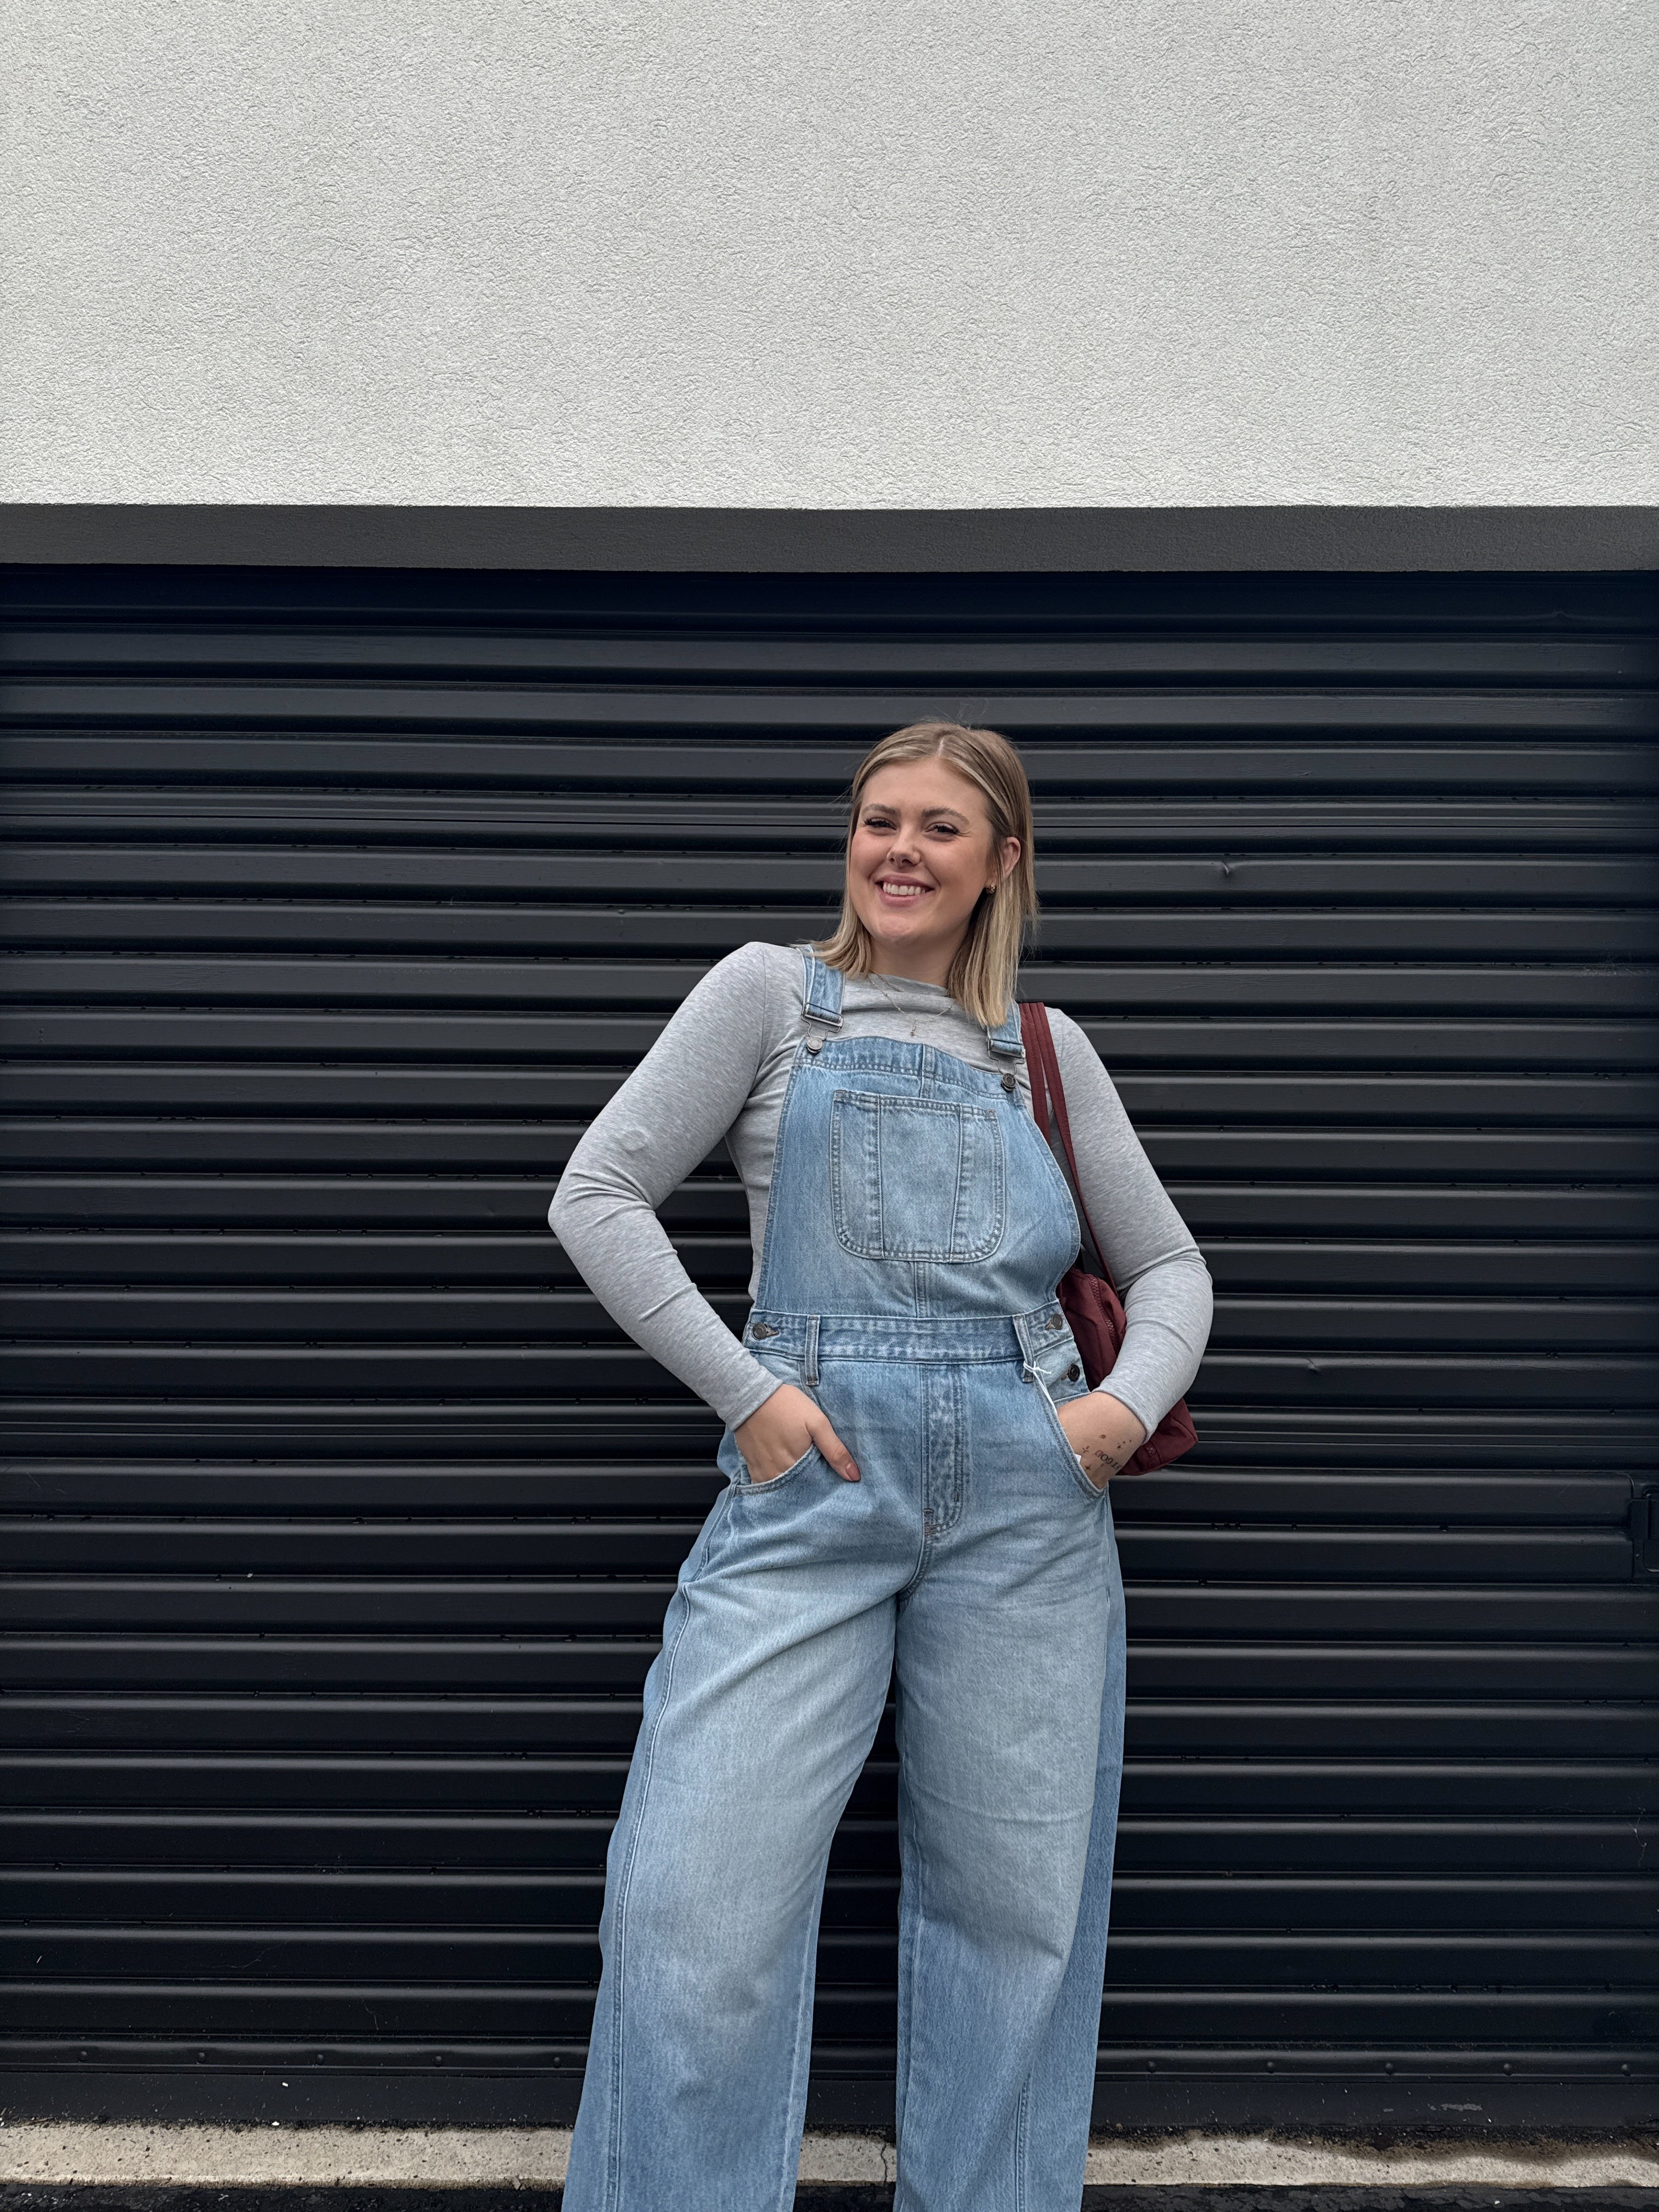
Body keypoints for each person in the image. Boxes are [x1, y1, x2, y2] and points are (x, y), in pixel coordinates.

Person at [548, 721, 1212, 2212]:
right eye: (878, 819)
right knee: (691, 1907)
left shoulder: (1041, 1048)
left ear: (1002, 866)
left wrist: (1112, 1418)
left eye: (940, 828)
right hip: (813, 1490)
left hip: (1029, 1508)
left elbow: (1169, 1265)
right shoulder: (770, 997)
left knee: (1016, 1919)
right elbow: (598, 1194)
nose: (900, 849)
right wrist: (750, 1394)